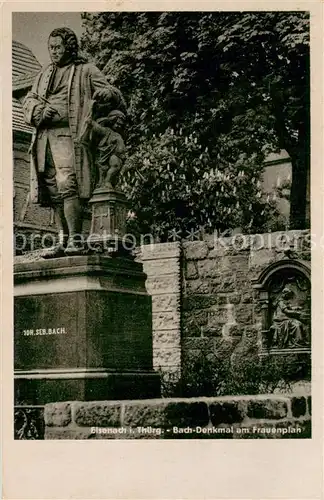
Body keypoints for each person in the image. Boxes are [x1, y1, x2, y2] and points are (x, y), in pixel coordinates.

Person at [23, 27, 126, 256]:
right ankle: (64, 240)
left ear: (69, 47)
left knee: (68, 187)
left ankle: (76, 241)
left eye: (58, 47)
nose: (53, 52)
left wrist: (107, 95)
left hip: (68, 138)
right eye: (50, 48)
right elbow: (29, 100)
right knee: (53, 191)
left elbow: (112, 92)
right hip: (44, 140)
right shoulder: (44, 74)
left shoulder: (86, 70)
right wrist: (39, 110)